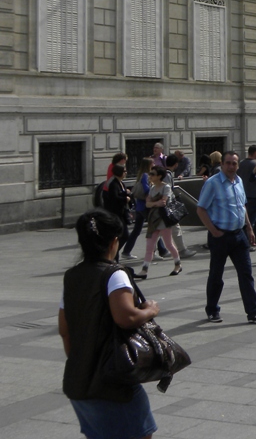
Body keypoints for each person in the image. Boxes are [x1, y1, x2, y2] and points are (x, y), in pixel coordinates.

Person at [59, 209, 160, 439]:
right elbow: (126, 318)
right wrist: (150, 310)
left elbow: (64, 330)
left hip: (79, 381)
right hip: (113, 382)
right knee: (140, 434)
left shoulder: (71, 276)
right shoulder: (114, 274)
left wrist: (82, 362)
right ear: (114, 242)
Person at [196, 151, 256, 323]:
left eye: (234, 163)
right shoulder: (212, 183)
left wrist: (249, 228)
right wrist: (213, 231)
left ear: (238, 165)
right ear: (222, 164)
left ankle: (254, 311)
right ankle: (212, 309)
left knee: (246, 274)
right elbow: (201, 209)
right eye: (228, 163)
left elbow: (242, 206)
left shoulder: (238, 181)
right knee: (216, 275)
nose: (231, 166)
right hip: (220, 236)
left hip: (239, 235)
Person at [137, 168, 182, 279]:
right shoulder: (152, 188)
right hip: (153, 220)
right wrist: (155, 203)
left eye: (153, 174)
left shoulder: (166, 187)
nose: (150, 176)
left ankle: (178, 264)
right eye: (150, 174)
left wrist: (153, 203)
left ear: (159, 176)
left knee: (168, 244)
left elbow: (163, 202)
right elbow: (147, 204)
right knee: (149, 246)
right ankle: (144, 270)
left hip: (163, 219)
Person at [122, 158, 167, 261]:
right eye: (153, 163)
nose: (154, 164)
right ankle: (157, 251)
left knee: (137, 230)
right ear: (149, 165)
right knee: (154, 228)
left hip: (140, 207)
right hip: (145, 207)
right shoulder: (146, 176)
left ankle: (126, 251)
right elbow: (147, 190)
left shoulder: (142, 175)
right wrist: (155, 192)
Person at [96, 163, 132, 259]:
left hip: (122, 213)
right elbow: (114, 198)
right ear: (119, 172)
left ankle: (114, 255)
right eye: (124, 171)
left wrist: (127, 194)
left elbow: (121, 194)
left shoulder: (121, 183)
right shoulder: (113, 184)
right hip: (115, 214)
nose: (126, 173)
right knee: (122, 235)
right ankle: (112, 254)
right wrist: (125, 199)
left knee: (122, 236)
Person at [238, 145, 256, 252]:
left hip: (243, 195)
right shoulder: (255, 164)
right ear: (255, 152)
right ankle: (246, 243)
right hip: (254, 195)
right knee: (250, 221)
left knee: (255, 220)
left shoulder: (241, 163)